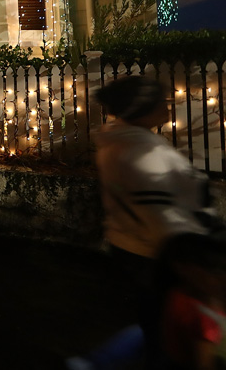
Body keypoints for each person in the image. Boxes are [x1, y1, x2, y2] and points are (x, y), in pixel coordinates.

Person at [69, 76, 215, 370]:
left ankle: (95, 362)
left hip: (129, 245)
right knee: (166, 331)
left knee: (155, 322)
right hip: (158, 255)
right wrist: (195, 270)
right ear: (143, 109)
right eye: (162, 102)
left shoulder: (116, 140)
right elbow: (163, 219)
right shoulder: (147, 154)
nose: (168, 106)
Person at [158, 233, 226, 370]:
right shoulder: (202, 318)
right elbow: (205, 364)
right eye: (213, 269)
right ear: (183, 268)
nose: (220, 276)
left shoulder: (176, 294)